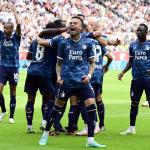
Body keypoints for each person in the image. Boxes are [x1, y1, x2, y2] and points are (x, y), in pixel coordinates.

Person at [38, 16, 106, 148]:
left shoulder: (89, 43)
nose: (72, 25)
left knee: (92, 107)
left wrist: (89, 76)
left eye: (75, 23)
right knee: (56, 108)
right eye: (70, 23)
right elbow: (58, 64)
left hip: (83, 83)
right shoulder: (63, 43)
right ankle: (45, 133)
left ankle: (90, 140)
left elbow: (92, 63)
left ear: (81, 27)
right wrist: (58, 77)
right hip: (67, 83)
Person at [24, 21, 65, 133]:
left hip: (31, 72)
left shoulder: (35, 41)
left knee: (30, 100)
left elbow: (28, 56)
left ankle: (29, 127)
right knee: (50, 99)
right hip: (45, 73)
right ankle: (44, 122)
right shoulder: (53, 41)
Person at [118, 23, 150, 135]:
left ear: (146, 32)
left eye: (140, 30)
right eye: (137, 30)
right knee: (134, 104)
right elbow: (130, 62)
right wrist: (122, 72)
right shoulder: (132, 45)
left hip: (148, 79)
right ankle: (131, 128)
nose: (138, 32)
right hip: (136, 79)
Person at [0, 5, 21, 123]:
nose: (4, 29)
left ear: (11, 29)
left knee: (13, 92)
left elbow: (19, 24)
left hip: (14, 68)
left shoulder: (16, 38)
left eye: (7, 28)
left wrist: (14, 11)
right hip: (2, 66)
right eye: (4, 27)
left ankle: (11, 116)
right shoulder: (1, 36)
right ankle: (3, 110)